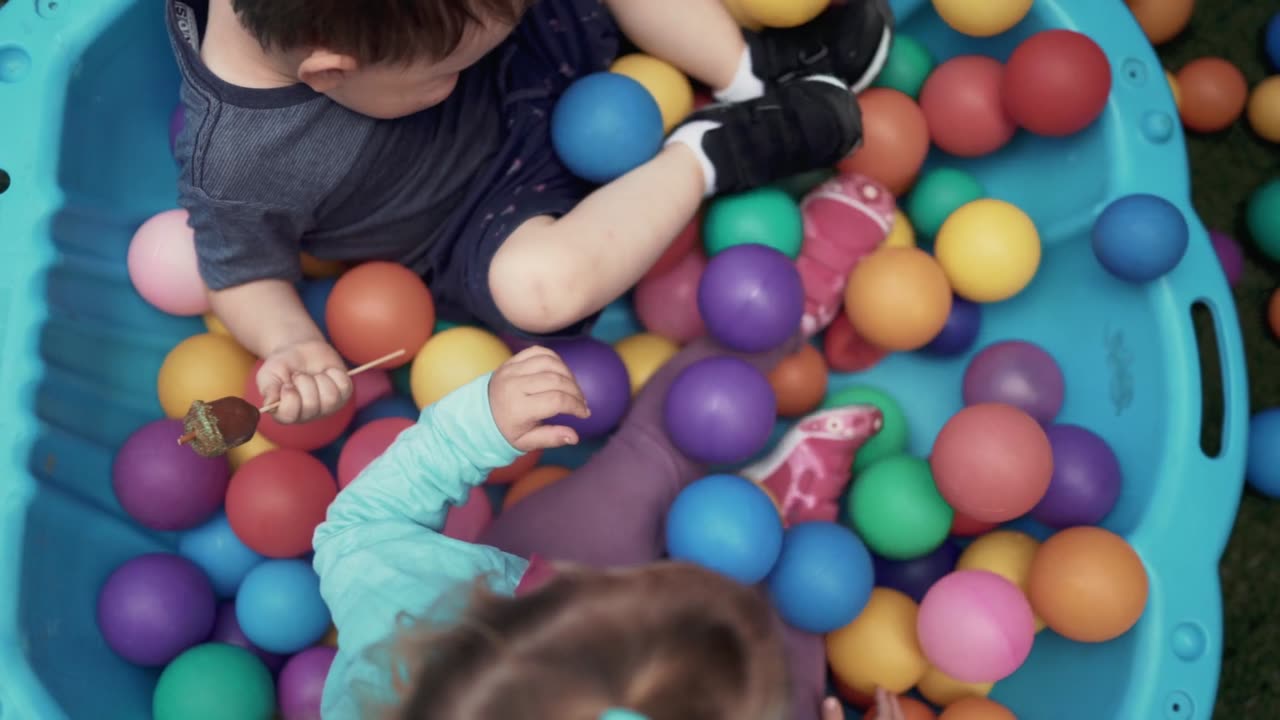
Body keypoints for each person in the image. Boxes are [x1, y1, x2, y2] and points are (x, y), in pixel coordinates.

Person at [165, 0, 894, 425]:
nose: (452, 74)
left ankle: (743, 66)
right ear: (329, 74)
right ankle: (713, 152)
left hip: (535, 38)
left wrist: (481, 42)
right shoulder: (240, 164)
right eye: (442, 71)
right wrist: (290, 342)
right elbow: (240, 274)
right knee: (536, 289)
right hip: (479, 208)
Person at [313, 339, 887, 719]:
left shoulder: (405, 614)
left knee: (656, 458)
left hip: (515, 572)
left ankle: (767, 321)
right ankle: (793, 506)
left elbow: (358, 526)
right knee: (803, 640)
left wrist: (473, 428)